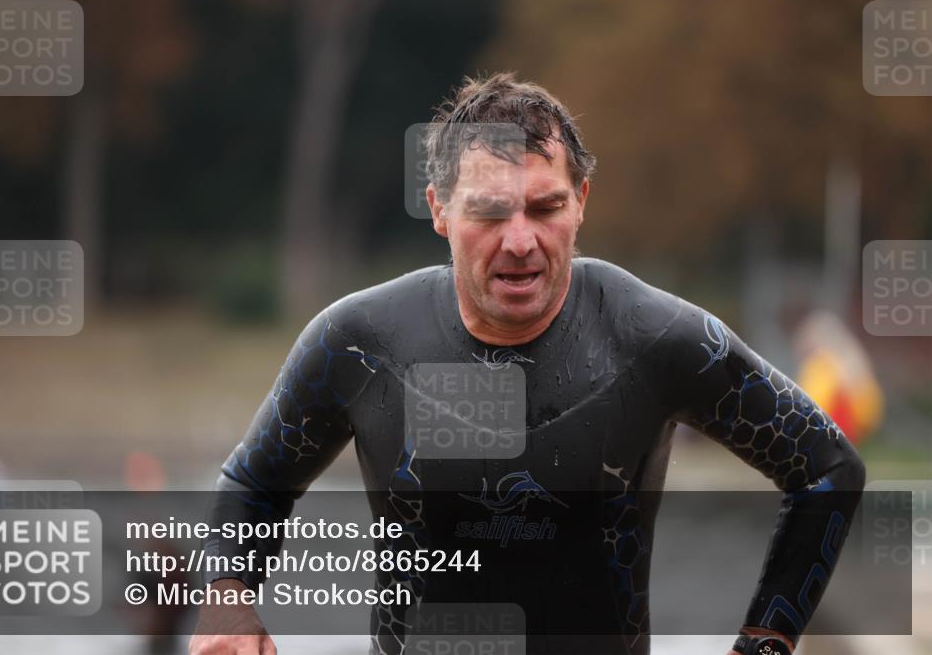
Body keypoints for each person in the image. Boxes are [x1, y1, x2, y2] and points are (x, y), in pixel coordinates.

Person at [189, 72, 865, 655]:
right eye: (489, 213)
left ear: (581, 204)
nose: (520, 241)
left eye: (546, 207)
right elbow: (255, 481)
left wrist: (766, 640)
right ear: (440, 211)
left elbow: (828, 468)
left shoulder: (655, 336)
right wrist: (227, 596)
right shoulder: (358, 341)